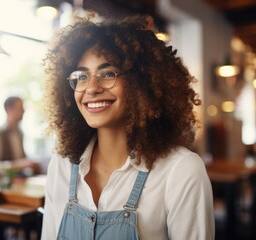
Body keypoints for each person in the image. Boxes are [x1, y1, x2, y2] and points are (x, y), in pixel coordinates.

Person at [41, 13, 214, 240]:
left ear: (142, 82)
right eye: (81, 76)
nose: (91, 87)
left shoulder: (181, 172)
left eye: (108, 73)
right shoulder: (62, 165)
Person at [0, 96, 40, 174]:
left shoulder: (20, 133)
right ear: (8, 110)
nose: (23, 111)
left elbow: (21, 158)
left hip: (20, 182)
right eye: (20, 108)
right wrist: (14, 166)